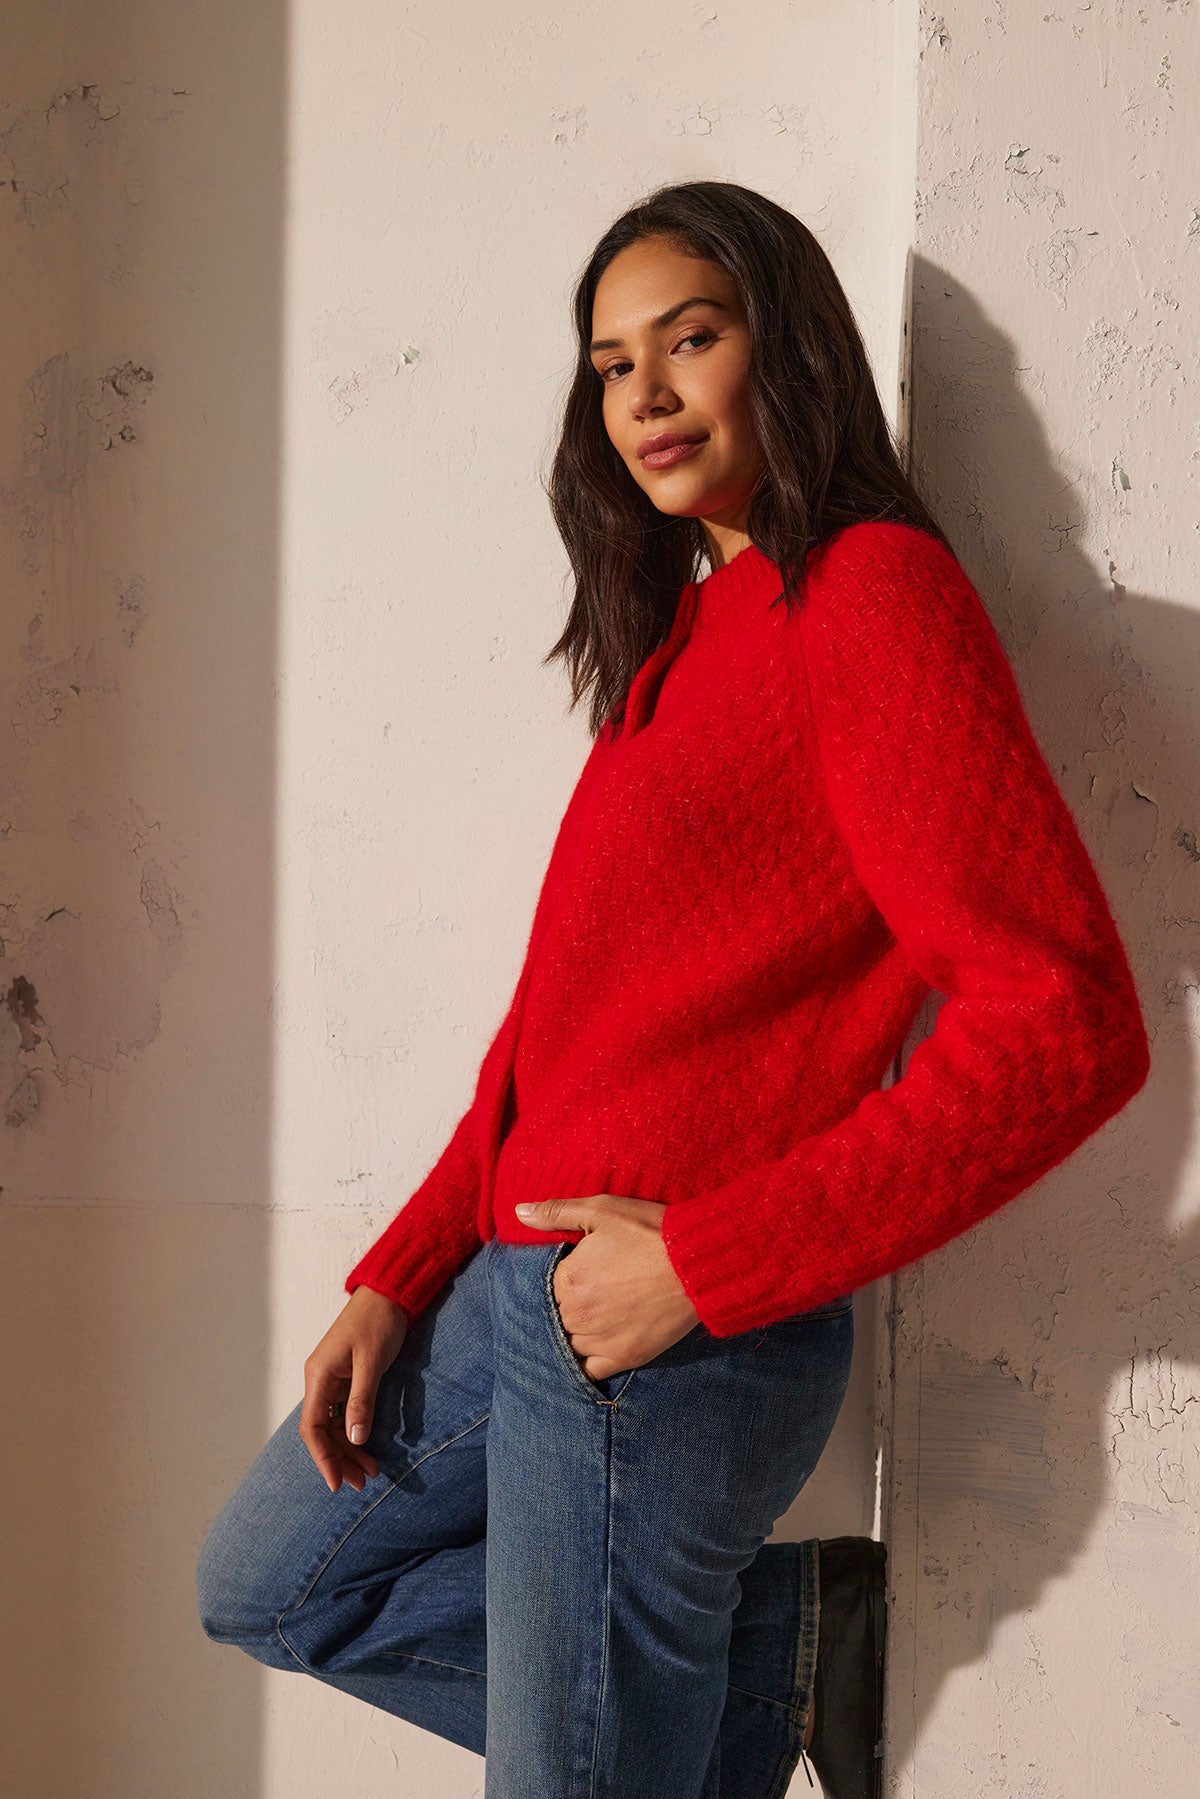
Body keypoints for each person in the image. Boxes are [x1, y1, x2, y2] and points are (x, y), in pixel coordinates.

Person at [195, 181, 1150, 1799]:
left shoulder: (871, 597)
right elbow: (553, 1027)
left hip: (666, 1333)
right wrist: (404, 1269)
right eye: (607, 360)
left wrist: (708, 1264)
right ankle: (778, 1655)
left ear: (786, 351)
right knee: (273, 1585)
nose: (640, 389)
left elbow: (1063, 1022)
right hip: (511, 1295)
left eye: (688, 338)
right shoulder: (681, 638)